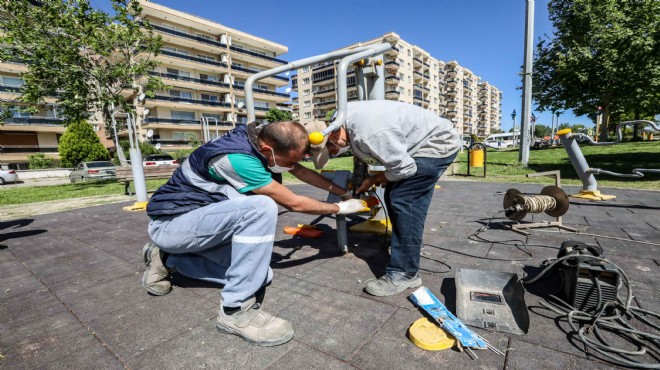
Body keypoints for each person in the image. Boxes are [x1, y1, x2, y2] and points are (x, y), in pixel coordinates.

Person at [142, 120, 365, 347]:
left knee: (260, 275)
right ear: (268, 150)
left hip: (198, 224)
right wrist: (339, 208)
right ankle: (235, 310)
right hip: (172, 225)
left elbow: (299, 170)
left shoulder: (260, 140)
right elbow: (294, 203)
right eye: (289, 161)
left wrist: (344, 193)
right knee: (261, 207)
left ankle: (167, 258)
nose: (291, 166)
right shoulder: (237, 158)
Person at [310, 100, 461, 297]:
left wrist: (375, 179)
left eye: (330, 150)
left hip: (435, 146)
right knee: (395, 196)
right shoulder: (342, 120)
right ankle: (407, 244)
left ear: (334, 135)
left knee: (405, 201)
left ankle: (405, 273)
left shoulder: (369, 133)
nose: (334, 153)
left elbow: (405, 169)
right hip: (422, 144)